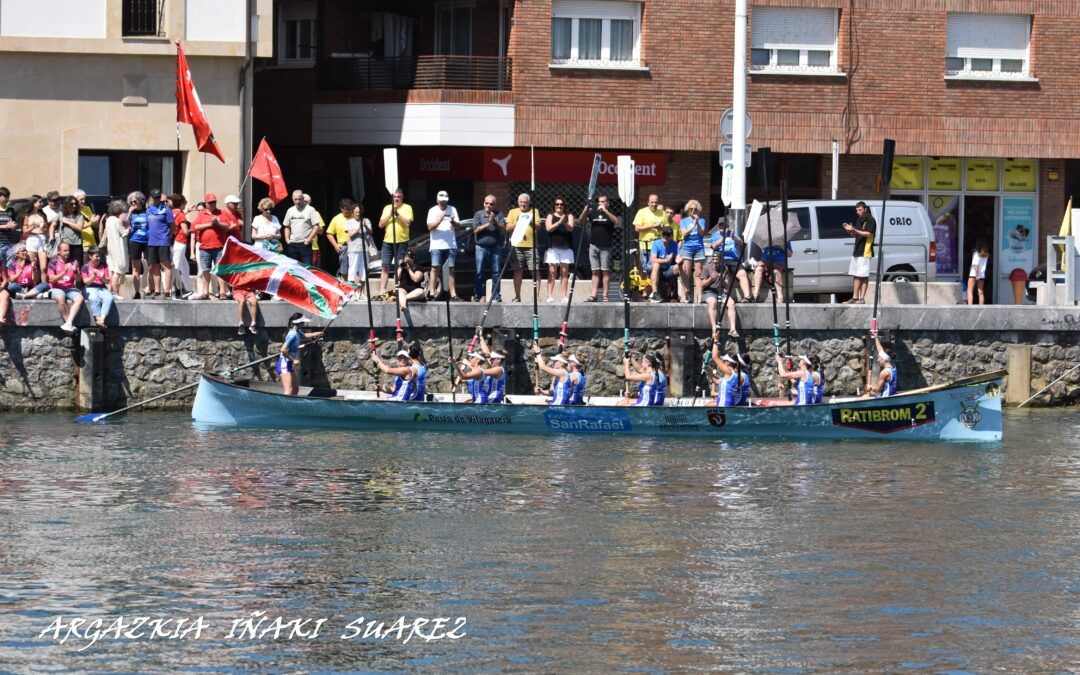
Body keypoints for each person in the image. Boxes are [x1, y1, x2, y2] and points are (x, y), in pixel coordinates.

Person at [191, 194, 238, 300]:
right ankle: (206, 292)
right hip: (204, 247)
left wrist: (218, 223)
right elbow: (196, 227)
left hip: (219, 246)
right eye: (210, 202)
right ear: (206, 204)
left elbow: (227, 227)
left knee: (220, 270)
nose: (213, 204)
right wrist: (209, 225)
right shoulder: (201, 214)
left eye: (214, 202)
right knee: (205, 270)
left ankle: (222, 291)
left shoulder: (222, 213)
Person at [1, 244, 50, 326]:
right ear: (17, 254)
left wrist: (34, 269)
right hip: (18, 288)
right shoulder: (12, 265)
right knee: (11, 286)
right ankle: (32, 295)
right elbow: (12, 279)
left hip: (29, 288)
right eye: (23, 251)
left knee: (45, 284)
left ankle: (26, 295)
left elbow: (35, 280)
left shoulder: (30, 264)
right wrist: (20, 271)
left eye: (26, 250)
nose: (25, 252)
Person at [277, 313, 323, 396]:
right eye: (303, 322)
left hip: (289, 364)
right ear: (298, 323)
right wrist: (293, 360)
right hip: (284, 364)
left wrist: (318, 333)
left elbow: (305, 335)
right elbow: (283, 350)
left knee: (295, 390)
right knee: (289, 390)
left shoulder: (298, 332)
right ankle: (283, 407)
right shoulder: (292, 334)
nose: (304, 324)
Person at [378, 189, 413, 297]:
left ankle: (397, 290)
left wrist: (397, 214)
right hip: (387, 242)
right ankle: (382, 291)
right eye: (395, 197)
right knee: (385, 266)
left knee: (400, 266)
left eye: (399, 197)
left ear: (402, 198)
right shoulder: (387, 208)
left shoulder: (407, 208)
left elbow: (407, 224)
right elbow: (380, 225)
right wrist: (390, 214)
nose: (396, 199)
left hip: (402, 242)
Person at [426, 190, 461, 300]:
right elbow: (430, 227)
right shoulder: (432, 210)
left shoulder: (452, 209)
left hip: (450, 244)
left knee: (450, 269)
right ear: (437, 201)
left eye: (445, 201)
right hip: (436, 244)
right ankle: (432, 293)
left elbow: (458, 226)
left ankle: (453, 294)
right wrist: (440, 220)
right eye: (441, 201)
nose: (443, 203)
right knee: (435, 268)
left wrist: (453, 222)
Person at [507, 193, 540, 303]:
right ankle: (517, 297)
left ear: (529, 202)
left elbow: (539, 226)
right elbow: (507, 228)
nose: (523, 204)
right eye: (521, 202)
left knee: (535, 271)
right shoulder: (513, 212)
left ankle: (537, 297)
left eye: (525, 202)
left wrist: (530, 220)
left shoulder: (534, 211)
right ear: (518, 202)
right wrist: (516, 222)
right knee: (517, 271)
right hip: (516, 246)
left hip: (531, 246)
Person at [472, 194, 506, 303]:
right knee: (479, 271)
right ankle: (479, 295)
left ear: (494, 205)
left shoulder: (499, 214)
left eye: (491, 204)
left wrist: (494, 221)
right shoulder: (478, 214)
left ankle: (496, 296)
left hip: (495, 247)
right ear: (483, 203)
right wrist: (488, 224)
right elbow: (475, 230)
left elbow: (503, 228)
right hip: (481, 247)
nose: (489, 205)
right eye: (487, 203)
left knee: (496, 272)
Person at [584, 195, 618, 302]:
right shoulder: (593, 213)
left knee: (605, 271)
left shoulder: (610, 214)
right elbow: (580, 221)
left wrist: (605, 211)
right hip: (594, 245)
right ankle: (594, 295)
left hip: (606, 247)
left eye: (603, 202)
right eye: (599, 202)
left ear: (607, 203)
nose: (601, 204)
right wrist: (585, 210)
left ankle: (605, 295)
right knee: (595, 271)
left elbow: (616, 221)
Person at [842, 201, 876, 304]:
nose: (858, 212)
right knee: (856, 274)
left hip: (865, 251)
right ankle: (855, 297)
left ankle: (862, 298)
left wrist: (855, 231)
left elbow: (869, 234)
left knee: (863, 275)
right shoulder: (859, 220)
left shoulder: (871, 220)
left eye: (860, 210)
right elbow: (857, 235)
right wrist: (850, 231)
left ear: (865, 209)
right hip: (857, 250)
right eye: (856, 210)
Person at [144, 188, 175, 298]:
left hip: (163, 241)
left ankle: (167, 290)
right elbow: (148, 226)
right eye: (155, 198)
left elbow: (172, 226)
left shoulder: (166, 209)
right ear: (151, 199)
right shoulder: (148, 210)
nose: (157, 200)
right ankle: (157, 290)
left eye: (159, 198)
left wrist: (167, 236)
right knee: (154, 266)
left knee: (166, 265)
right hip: (152, 242)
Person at [544, 196, 575, 303]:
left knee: (564, 272)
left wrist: (564, 221)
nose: (559, 206)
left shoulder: (569, 216)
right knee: (552, 271)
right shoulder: (550, 216)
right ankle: (549, 296)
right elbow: (549, 228)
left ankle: (564, 296)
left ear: (564, 206)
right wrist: (559, 222)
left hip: (566, 248)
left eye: (561, 204)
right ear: (554, 205)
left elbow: (571, 228)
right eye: (557, 204)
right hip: (553, 248)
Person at [48, 242, 84, 333]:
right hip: (56, 287)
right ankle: (69, 324)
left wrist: (75, 271)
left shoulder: (73, 262)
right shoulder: (53, 262)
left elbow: (79, 279)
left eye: (68, 250)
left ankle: (68, 323)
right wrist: (64, 272)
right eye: (65, 251)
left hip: (70, 288)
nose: (67, 252)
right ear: (59, 251)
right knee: (60, 298)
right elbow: (52, 280)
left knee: (80, 298)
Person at [709, 222, 750, 301]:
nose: (723, 228)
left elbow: (741, 243)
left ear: (727, 226)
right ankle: (724, 296)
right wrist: (723, 238)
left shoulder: (733, 233)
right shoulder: (715, 235)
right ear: (718, 228)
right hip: (721, 260)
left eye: (724, 226)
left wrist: (733, 237)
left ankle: (747, 297)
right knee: (723, 276)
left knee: (742, 274)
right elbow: (714, 246)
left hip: (734, 260)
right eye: (721, 227)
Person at [701, 255, 739, 337]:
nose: (715, 261)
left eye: (717, 259)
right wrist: (711, 279)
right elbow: (702, 285)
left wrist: (722, 280)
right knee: (713, 302)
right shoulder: (706, 268)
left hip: (720, 292)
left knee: (731, 303)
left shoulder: (724, 269)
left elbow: (727, 286)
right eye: (713, 259)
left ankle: (732, 328)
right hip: (709, 292)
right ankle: (714, 327)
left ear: (720, 260)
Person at [678, 200, 707, 303]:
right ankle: (684, 296)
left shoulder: (702, 220)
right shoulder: (684, 221)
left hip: (699, 247)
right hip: (687, 248)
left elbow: (702, 233)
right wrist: (693, 224)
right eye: (691, 209)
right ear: (688, 210)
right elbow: (684, 233)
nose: (693, 211)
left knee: (698, 273)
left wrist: (697, 222)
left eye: (695, 209)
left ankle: (699, 296)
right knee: (686, 272)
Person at [282, 190, 321, 266]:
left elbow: (316, 226)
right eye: (295, 199)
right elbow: (287, 226)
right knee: (293, 268)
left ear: (303, 198)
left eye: (299, 199)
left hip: (305, 244)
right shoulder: (290, 210)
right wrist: (287, 240)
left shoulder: (310, 209)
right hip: (292, 244)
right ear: (292, 199)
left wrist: (309, 239)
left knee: (306, 269)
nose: (297, 201)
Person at [123, 191, 150, 298]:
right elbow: (125, 225)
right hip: (135, 241)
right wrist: (129, 212)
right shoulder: (130, 213)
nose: (133, 204)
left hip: (147, 241)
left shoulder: (147, 212)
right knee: (135, 268)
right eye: (131, 202)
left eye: (135, 201)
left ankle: (149, 289)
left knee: (150, 267)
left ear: (141, 201)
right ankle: (137, 292)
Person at [345, 205, 377, 292]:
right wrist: (359, 227)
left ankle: (361, 292)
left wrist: (365, 226)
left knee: (363, 272)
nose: (358, 214)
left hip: (365, 249)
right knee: (352, 271)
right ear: (353, 212)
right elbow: (351, 234)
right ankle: (351, 292)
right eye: (356, 212)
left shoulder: (366, 221)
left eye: (359, 212)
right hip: (353, 250)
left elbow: (371, 232)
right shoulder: (349, 222)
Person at [752, 237, 794, 303]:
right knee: (759, 269)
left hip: (779, 261)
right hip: (766, 259)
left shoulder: (785, 238)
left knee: (776, 271)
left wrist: (782, 246)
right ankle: (755, 294)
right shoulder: (766, 236)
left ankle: (780, 296)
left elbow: (790, 254)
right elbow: (758, 248)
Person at [633, 193, 667, 270]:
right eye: (652, 202)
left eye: (656, 202)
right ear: (648, 202)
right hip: (645, 244)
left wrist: (661, 228)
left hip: (659, 245)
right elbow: (637, 228)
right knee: (646, 268)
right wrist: (651, 226)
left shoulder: (662, 213)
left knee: (658, 267)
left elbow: (667, 228)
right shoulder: (642, 212)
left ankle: (655, 281)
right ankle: (649, 281)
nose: (654, 204)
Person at [103, 200, 130, 298]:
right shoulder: (116, 221)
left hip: (110, 249)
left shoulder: (109, 220)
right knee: (117, 272)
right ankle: (116, 293)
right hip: (118, 249)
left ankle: (112, 292)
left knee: (112, 270)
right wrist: (127, 226)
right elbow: (124, 233)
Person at [80, 247, 113, 328]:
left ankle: (102, 319)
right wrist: (93, 277)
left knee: (109, 298)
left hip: (101, 287)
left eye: (99, 256)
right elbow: (85, 282)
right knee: (94, 298)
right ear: (90, 256)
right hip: (89, 287)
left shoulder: (103, 266)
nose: (98, 258)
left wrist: (103, 278)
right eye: (96, 256)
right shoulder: (85, 267)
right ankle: (98, 319)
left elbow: (107, 281)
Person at [169, 194, 194, 299]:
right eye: (185, 203)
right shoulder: (181, 215)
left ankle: (188, 289)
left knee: (185, 267)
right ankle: (173, 291)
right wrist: (194, 229)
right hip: (180, 242)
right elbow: (185, 231)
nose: (186, 204)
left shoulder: (172, 212)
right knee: (176, 267)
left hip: (173, 243)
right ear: (182, 203)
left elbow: (178, 217)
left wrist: (188, 210)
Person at [324, 198, 355, 278]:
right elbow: (329, 233)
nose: (348, 211)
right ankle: (345, 285)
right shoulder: (336, 219)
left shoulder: (355, 216)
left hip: (355, 246)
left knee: (355, 268)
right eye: (346, 209)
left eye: (349, 209)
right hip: (344, 246)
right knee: (344, 270)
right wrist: (336, 246)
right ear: (341, 209)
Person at [648, 227, 679, 303]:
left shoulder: (674, 244)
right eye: (664, 234)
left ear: (671, 236)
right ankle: (655, 293)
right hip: (653, 270)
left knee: (681, 266)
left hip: (667, 270)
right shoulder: (656, 243)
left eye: (668, 235)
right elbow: (653, 260)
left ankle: (684, 295)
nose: (665, 236)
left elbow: (679, 256)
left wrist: (679, 259)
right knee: (656, 264)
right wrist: (666, 260)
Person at [56, 196, 87, 267]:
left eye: (75, 204)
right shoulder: (61, 214)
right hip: (65, 245)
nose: (74, 206)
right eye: (72, 204)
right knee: (66, 265)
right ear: (67, 205)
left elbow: (79, 228)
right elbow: (53, 224)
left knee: (78, 266)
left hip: (77, 245)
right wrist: (51, 236)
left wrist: (67, 222)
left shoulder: (79, 216)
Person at [21, 195, 49, 273]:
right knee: (32, 265)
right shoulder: (27, 216)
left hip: (42, 238)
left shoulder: (42, 215)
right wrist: (33, 226)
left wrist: (44, 228)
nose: (41, 204)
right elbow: (25, 232)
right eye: (39, 202)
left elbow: (46, 229)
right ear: (34, 203)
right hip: (32, 238)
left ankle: (44, 284)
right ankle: (32, 283)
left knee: (43, 267)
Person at [0, 186, 18, 267]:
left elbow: (13, 222)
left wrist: (14, 226)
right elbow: (7, 225)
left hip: (9, 242)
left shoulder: (10, 209)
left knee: (9, 265)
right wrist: (6, 226)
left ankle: (9, 279)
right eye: (5, 196)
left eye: (8, 196)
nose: (7, 198)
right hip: (0, 242)